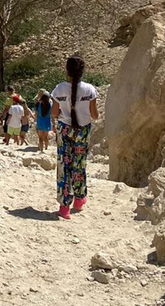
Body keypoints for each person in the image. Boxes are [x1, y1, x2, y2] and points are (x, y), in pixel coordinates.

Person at [52, 55, 98, 220]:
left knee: (64, 165)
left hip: (64, 129)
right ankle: (79, 199)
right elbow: (94, 115)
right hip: (83, 130)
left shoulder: (58, 89)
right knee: (79, 164)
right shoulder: (90, 89)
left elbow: (54, 113)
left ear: (67, 70)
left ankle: (64, 207)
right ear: (83, 71)